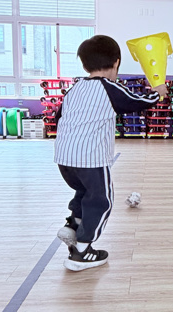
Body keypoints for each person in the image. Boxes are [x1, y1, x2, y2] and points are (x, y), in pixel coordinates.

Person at [54, 34, 166, 271]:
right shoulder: (109, 88)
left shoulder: (74, 89)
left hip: (64, 158)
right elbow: (135, 101)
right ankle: (82, 251)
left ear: (85, 65)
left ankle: (73, 226)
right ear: (116, 63)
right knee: (101, 200)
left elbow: (58, 116)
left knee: (84, 191)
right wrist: (157, 93)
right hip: (91, 158)